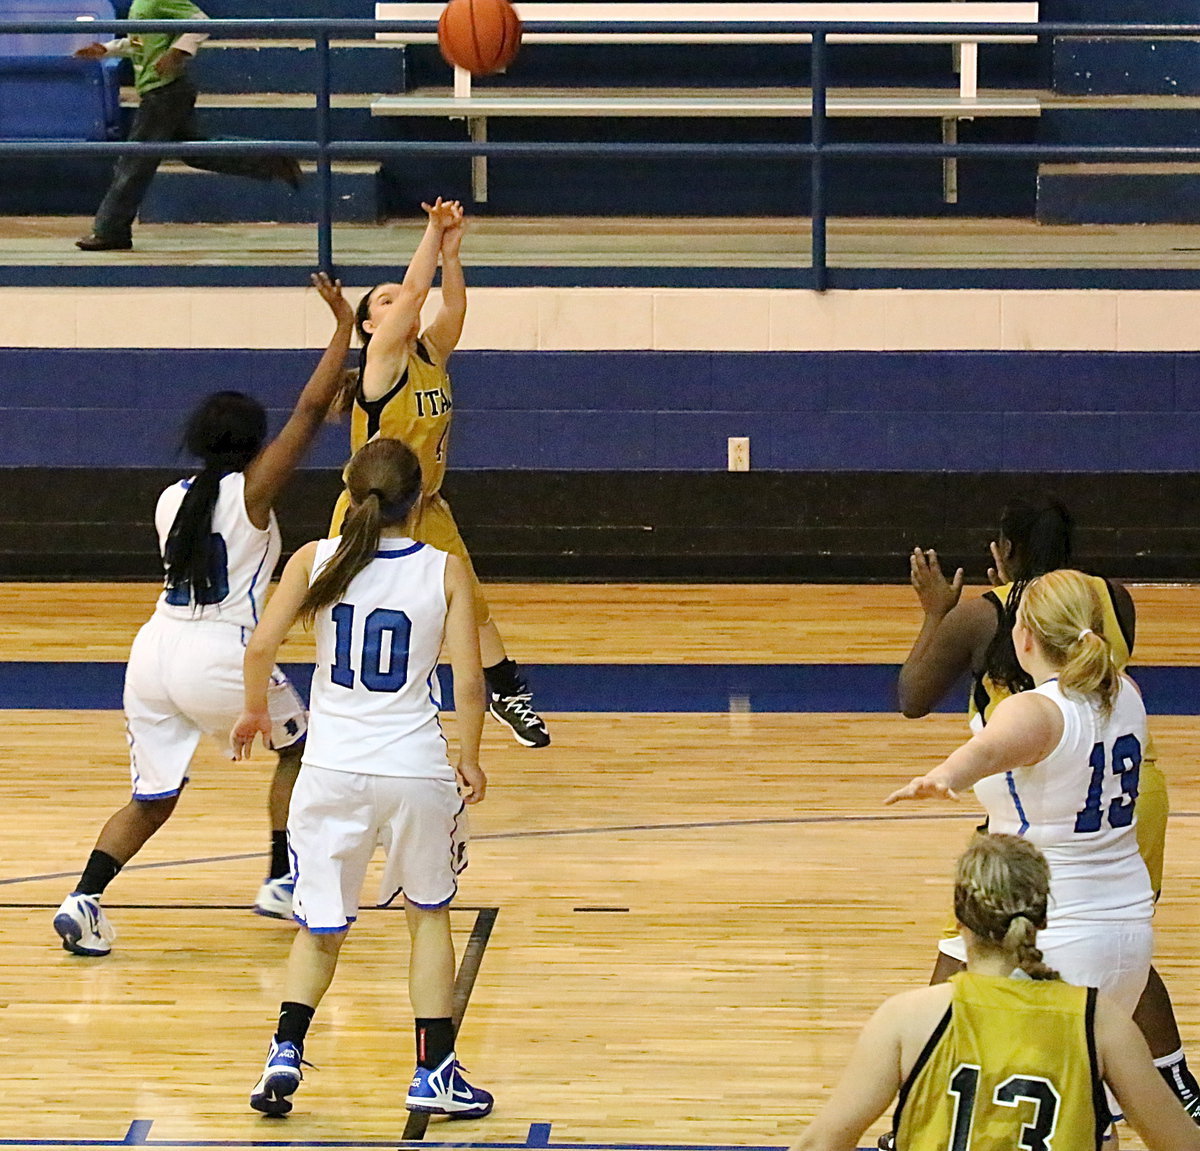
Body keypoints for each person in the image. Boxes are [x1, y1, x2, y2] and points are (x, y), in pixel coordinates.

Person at [52, 274, 353, 956]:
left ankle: (84, 896)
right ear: (252, 444)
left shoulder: (172, 497)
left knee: (152, 797)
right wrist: (341, 327)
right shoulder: (250, 494)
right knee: (303, 749)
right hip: (218, 651)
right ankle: (281, 878)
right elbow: (307, 412)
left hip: (154, 651)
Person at [896, 496, 1199, 1118]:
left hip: (1048, 822)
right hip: (1130, 798)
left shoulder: (994, 628)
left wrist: (936, 617)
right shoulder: (1113, 608)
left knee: (974, 958)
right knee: (1115, 978)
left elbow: (915, 698)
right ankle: (1174, 1090)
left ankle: (926, 1111)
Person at [233, 437, 491, 1120]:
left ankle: (284, 1050)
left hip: (329, 770)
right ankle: (433, 1070)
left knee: (319, 926)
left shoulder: (315, 558)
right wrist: (470, 755)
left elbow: (260, 645)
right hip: (411, 768)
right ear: (421, 499)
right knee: (428, 916)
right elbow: (470, 680)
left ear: (350, 492)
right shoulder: (444, 569)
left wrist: (256, 711)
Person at [790, 833, 1200, 1151]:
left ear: (958, 918)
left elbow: (821, 1142)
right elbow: (1183, 1144)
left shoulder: (906, 1019)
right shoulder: (1100, 1022)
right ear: (1042, 916)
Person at [329, 196, 550, 749]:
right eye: (383, 299)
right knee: (344, 608)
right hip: (371, 509)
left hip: (426, 504)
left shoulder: (429, 354)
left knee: (472, 607)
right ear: (369, 323)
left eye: (394, 295)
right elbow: (417, 293)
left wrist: (452, 253)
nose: (397, 302)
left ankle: (507, 692)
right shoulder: (381, 360)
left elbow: (452, 310)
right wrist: (431, 230)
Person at [73, 0, 300, 252]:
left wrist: (176, 53)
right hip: (160, 92)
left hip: (164, 93)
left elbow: (199, 22)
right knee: (196, 151)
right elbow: (141, 42)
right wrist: (106, 49)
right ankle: (270, 157)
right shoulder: (141, 4)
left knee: (134, 162)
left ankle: (110, 230)